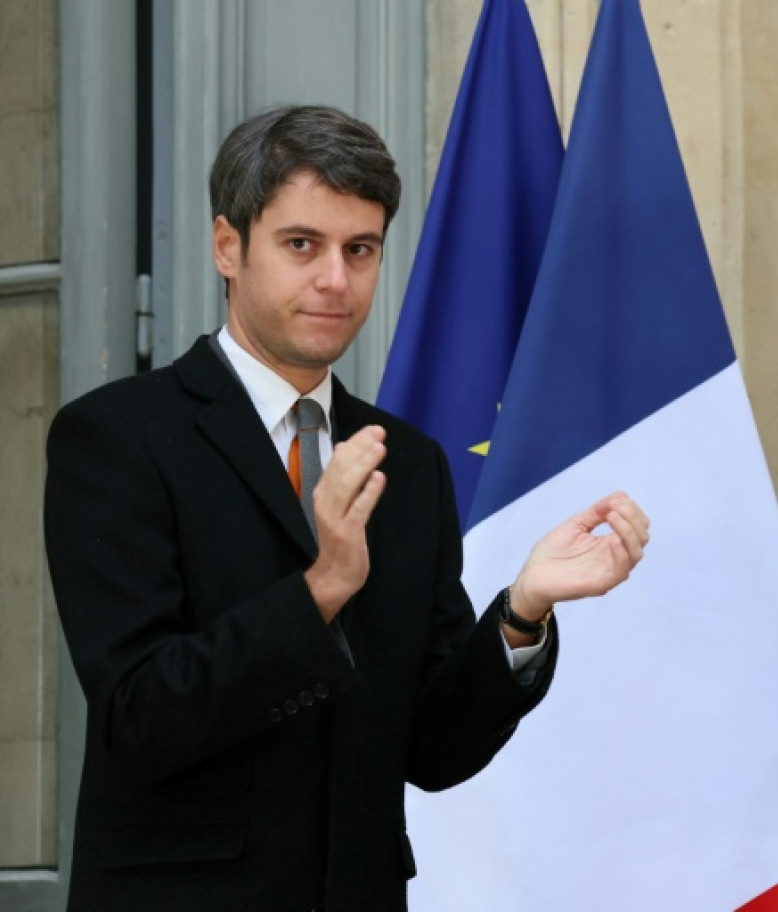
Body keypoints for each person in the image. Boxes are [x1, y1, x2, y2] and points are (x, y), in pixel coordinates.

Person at [45, 105, 650, 912]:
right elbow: (141, 718)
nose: (336, 279)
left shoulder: (411, 462)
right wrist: (321, 586)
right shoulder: (116, 437)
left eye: (359, 250)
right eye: (303, 245)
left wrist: (521, 612)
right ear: (229, 246)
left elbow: (432, 749)